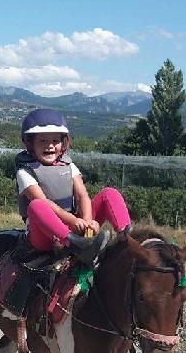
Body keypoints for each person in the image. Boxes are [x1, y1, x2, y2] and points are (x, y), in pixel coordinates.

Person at [16, 108, 131, 267]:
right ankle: (76, 245)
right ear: (30, 144)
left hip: (76, 223)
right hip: (44, 233)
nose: (50, 146)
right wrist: (74, 220)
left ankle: (128, 238)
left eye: (55, 141)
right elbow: (45, 203)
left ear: (62, 143)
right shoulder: (25, 172)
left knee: (109, 193)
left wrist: (88, 221)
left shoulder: (69, 166)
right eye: (42, 141)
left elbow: (82, 195)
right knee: (37, 205)